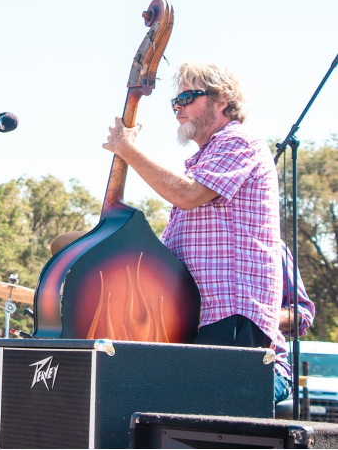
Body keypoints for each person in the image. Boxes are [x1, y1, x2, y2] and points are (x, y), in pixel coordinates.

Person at [102, 61, 299, 403]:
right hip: (202, 318)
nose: (178, 108)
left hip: (231, 316)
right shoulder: (206, 160)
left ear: (221, 100)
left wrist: (127, 149)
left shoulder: (239, 140)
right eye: (174, 102)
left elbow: (188, 194)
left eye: (188, 97)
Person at [274, 245, 316, 403]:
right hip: (201, 365)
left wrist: (264, 319)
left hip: (269, 366)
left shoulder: (273, 246)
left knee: (243, 398)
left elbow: (304, 311)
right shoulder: (192, 240)